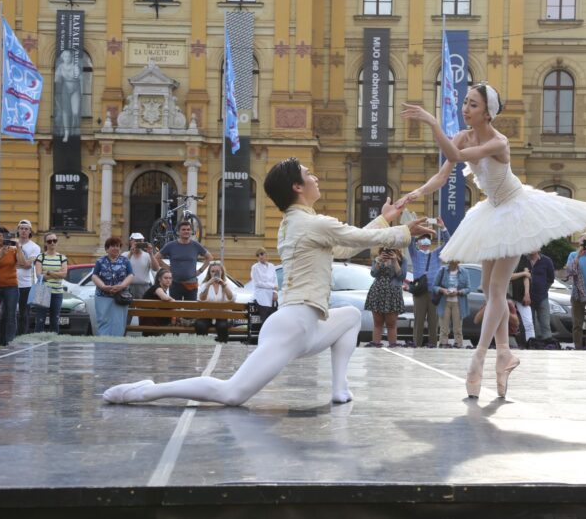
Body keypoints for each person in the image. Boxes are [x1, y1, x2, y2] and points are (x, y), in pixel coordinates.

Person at [103, 157, 433, 406]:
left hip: (309, 324)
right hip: (292, 326)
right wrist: (404, 230)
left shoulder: (299, 224)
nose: (316, 177)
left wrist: (386, 219)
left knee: (348, 316)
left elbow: (346, 245)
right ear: (297, 187)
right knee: (231, 393)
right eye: (309, 174)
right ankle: (145, 392)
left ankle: (339, 389)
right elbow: (356, 236)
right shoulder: (309, 224)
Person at [399, 84, 586, 399]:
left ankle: (479, 357)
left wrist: (432, 123)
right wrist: (419, 192)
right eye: (465, 102)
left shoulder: (498, 141)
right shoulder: (464, 135)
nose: (466, 108)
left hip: (515, 211)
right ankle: (503, 353)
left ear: (488, 111)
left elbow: (456, 155)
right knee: (489, 290)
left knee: (495, 290)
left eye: (473, 104)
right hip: (491, 212)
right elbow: (443, 173)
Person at [407, 217, 451, 348]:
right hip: (419, 292)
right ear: (419, 242)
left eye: (427, 239)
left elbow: (448, 243)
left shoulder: (436, 254)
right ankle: (417, 344)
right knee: (419, 320)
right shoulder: (415, 254)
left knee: (433, 321)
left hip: (433, 292)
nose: (425, 242)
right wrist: (417, 229)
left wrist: (442, 227)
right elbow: (409, 241)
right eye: (423, 239)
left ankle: (432, 344)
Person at [154, 221, 213, 300]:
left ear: (191, 232)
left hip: (191, 284)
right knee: (174, 309)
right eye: (184, 229)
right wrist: (168, 268)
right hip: (175, 283)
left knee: (190, 310)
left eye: (188, 230)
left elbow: (209, 257)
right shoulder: (170, 245)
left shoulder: (196, 245)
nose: (186, 231)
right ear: (178, 232)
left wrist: (200, 271)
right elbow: (157, 257)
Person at [364, 247, 407, 348]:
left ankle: (393, 345)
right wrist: (379, 261)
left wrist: (395, 261)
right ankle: (375, 344)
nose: (387, 252)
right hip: (378, 292)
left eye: (391, 250)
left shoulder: (402, 260)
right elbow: (373, 273)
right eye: (385, 250)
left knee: (391, 323)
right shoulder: (377, 259)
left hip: (392, 293)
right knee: (377, 323)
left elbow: (402, 277)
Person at [92, 237, 135, 337]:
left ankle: (117, 344)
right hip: (102, 295)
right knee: (103, 320)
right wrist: (103, 286)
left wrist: (122, 286)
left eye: (118, 246)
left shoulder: (125, 261)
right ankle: (103, 343)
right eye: (113, 246)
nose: (115, 248)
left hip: (121, 296)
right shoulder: (100, 261)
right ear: (107, 249)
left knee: (118, 322)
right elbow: (94, 276)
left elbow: (131, 275)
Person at [0, 226, 23, 346]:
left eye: (1, 235)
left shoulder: (13, 250)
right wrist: (0, 255)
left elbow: (22, 263)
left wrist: (18, 247)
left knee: (10, 315)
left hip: (11, 287)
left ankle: (10, 342)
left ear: (6, 237)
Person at [33, 232, 68, 334]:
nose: (52, 243)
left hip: (57, 292)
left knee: (55, 320)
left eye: (54, 240)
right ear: (45, 243)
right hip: (42, 290)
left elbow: (64, 274)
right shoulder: (40, 257)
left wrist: (48, 272)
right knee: (40, 320)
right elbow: (39, 276)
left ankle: (54, 345)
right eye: (49, 241)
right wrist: (57, 273)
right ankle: (37, 345)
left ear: (57, 242)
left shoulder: (62, 257)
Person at [433, 260, 470, 348]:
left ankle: (458, 345)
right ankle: (443, 344)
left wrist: (459, 292)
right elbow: (434, 286)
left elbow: (468, 288)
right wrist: (443, 290)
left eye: (456, 260)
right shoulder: (442, 271)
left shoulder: (464, 272)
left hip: (458, 303)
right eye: (452, 260)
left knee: (457, 328)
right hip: (444, 302)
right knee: (444, 328)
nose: (454, 262)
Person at [195, 262, 236, 343]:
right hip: (207, 315)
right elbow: (201, 299)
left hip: (223, 315)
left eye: (218, 271)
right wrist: (208, 285)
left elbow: (232, 298)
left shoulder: (227, 284)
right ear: (209, 273)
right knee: (200, 325)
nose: (215, 273)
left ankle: (223, 345)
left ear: (222, 272)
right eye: (212, 271)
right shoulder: (205, 285)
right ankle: (203, 346)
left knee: (222, 326)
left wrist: (224, 285)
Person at [14, 219, 42, 336]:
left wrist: (19, 251)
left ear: (30, 231)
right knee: (11, 312)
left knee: (24, 313)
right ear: (18, 230)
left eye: (26, 229)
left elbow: (27, 265)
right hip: (12, 283)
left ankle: (22, 336)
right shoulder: (12, 244)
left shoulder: (35, 247)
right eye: (21, 228)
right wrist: (21, 263)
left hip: (27, 284)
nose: (24, 231)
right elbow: (10, 264)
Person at [527, 248, 555, 343]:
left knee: (545, 324)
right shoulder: (523, 260)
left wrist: (543, 289)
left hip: (542, 296)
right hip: (526, 298)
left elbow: (551, 279)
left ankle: (548, 345)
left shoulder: (546, 261)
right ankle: (532, 344)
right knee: (530, 324)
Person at [54, 49, 80, 143]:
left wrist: (77, 73)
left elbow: (78, 76)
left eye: (69, 56)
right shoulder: (60, 67)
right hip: (65, 89)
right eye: (65, 56)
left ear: (71, 57)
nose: (67, 58)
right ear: (62, 58)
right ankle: (66, 133)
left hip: (75, 89)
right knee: (65, 112)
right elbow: (56, 79)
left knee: (75, 112)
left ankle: (74, 129)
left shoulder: (75, 67)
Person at [122, 233, 158, 299]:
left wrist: (151, 254)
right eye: (136, 241)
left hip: (144, 286)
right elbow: (121, 268)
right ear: (131, 242)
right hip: (128, 286)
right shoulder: (124, 255)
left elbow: (155, 269)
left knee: (143, 307)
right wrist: (130, 253)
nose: (138, 243)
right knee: (129, 307)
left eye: (140, 241)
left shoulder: (147, 255)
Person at [509, 254, 534, 347]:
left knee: (529, 322)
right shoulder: (506, 257)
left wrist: (527, 294)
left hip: (520, 295)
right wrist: (523, 273)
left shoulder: (523, 258)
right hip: (507, 295)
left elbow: (527, 277)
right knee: (508, 322)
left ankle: (531, 344)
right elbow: (507, 276)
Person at [250, 247, 278, 321]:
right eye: (257, 255)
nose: (260, 256)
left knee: (272, 319)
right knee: (264, 319)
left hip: (271, 296)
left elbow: (275, 280)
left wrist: (275, 292)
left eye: (261, 254)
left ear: (266, 254)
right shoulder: (255, 267)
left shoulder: (272, 266)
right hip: (261, 297)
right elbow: (258, 283)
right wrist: (272, 286)